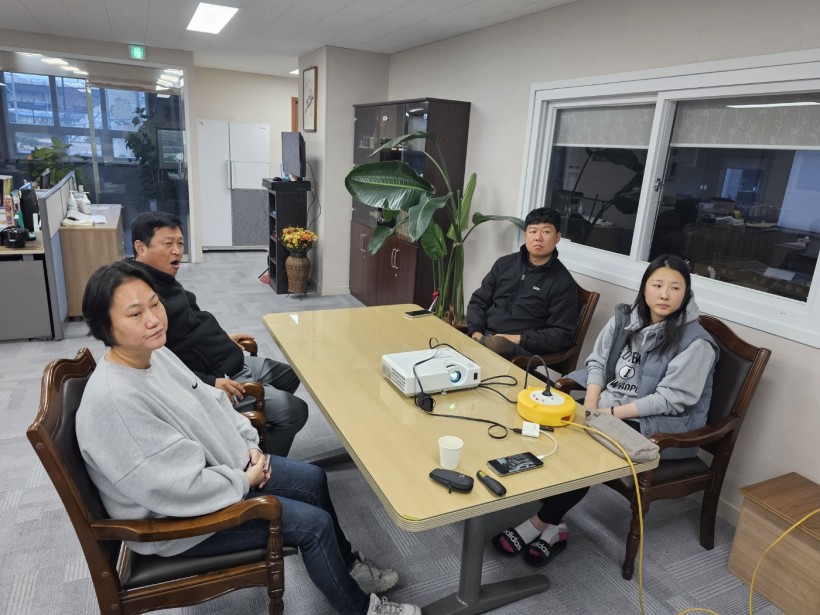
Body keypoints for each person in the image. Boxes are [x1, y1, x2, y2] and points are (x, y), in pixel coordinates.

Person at [76, 262, 420, 615]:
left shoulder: (154, 354)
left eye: (155, 304)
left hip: (219, 474)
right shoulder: (117, 401)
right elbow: (175, 489)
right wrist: (244, 481)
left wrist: (249, 447)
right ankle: (361, 609)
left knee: (314, 478)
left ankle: (346, 568)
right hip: (177, 524)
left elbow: (212, 401)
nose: (153, 319)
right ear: (105, 325)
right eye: (135, 314)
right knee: (313, 526)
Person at [490, 254, 718, 567]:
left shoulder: (696, 343)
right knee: (552, 430)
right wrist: (591, 405)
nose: (665, 294)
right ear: (645, 288)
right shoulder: (625, 320)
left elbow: (671, 400)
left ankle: (540, 522)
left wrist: (609, 415)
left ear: (686, 293)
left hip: (659, 426)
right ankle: (554, 526)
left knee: (585, 452)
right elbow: (596, 362)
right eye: (657, 285)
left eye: (675, 288)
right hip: (608, 408)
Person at [129, 211, 307, 458]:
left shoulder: (162, 278)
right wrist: (209, 382)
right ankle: (263, 465)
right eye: (168, 244)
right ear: (141, 247)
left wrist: (224, 337)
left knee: (293, 375)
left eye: (180, 243)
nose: (177, 251)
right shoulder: (142, 297)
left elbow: (193, 322)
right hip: (217, 379)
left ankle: (251, 433)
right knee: (295, 410)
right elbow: (158, 364)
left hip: (228, 358)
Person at [466, 207, 578, 359]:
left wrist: (518, 338)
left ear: (557, 237)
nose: (538, 237)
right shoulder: (504, 264)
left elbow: (561, 334)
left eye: (546, 232)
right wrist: (476, 333)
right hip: (483, 336)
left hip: (519, 349)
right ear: (525, 235)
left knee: (497, 345)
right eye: (533, 231)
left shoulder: (562, 282)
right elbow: (479, 301)